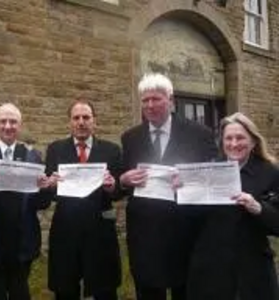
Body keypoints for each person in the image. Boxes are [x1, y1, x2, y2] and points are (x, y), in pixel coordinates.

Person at [120, 73, 217, 300]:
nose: (150, 105)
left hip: (185, 230)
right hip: (145, 234)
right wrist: (124, 179)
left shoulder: (199, 134)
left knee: (186, 291)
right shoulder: (130, 137)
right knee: (149, 291)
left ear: (170, 100)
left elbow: (213, 175)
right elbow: (121, 180)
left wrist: (190, 180)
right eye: (145, 100)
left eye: (156, 99)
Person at [187, 112, 279, 300]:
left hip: (253, 266)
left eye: (240, 138)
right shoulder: (209, 169)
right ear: (222, 142)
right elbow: (191, 217)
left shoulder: (270, 172)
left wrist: (258, 208)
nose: (234, 144)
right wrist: (182, 190)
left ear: (253, 141)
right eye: (228, 138)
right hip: (212, 264)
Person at [0, 103, 50, 300]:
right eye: (3, 121)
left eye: (13, 122)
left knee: (20, 291)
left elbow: (41, 204)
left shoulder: (33, 156)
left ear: (20, 125)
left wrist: (44, 188)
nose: (8, 126)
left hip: (23, 240)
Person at [45, 98, 122, 300]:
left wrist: (112, 186)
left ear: (94, 121)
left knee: (104, 288)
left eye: (86, 117)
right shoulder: (55, 149)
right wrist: (50, 185)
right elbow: (48, 191)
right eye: (76, 118)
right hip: (65, 229)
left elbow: (119, 191)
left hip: (100, 229)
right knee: (65, 288)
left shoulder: (111, 150)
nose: (81, 122)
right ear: (70, 122)